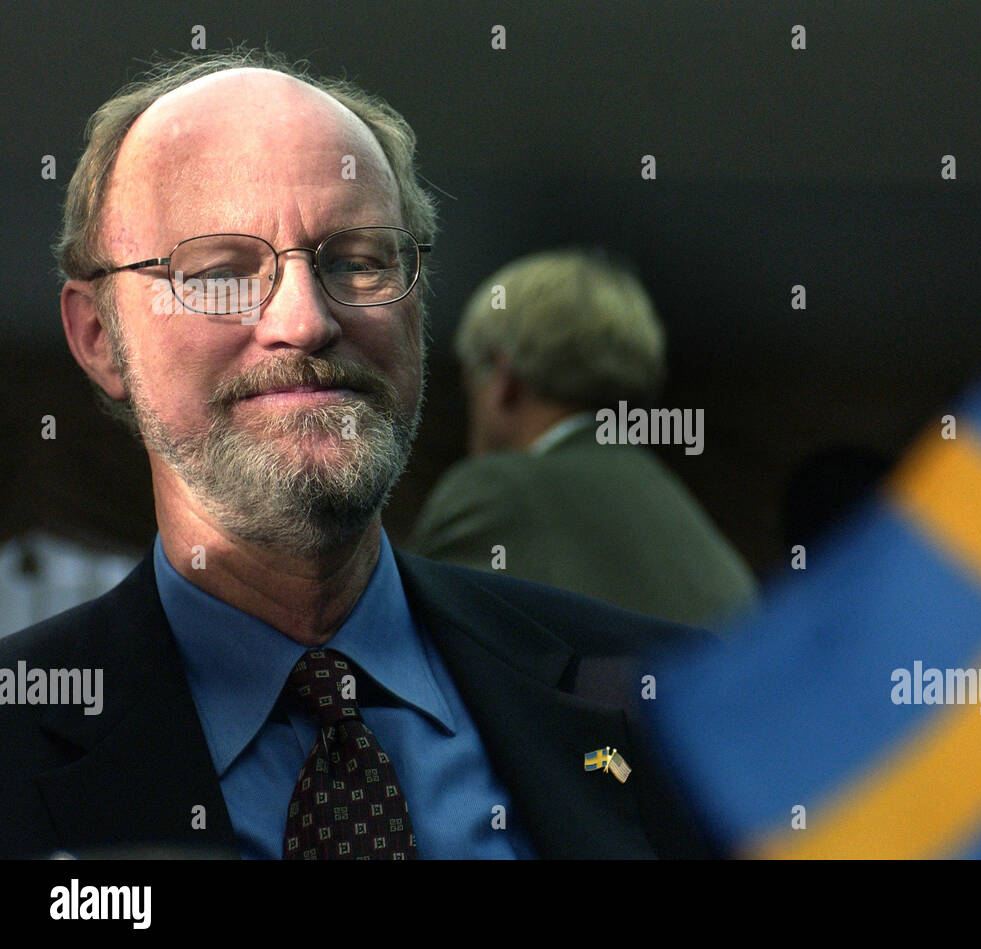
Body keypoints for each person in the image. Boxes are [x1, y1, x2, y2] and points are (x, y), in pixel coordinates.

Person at [0, 49, 709, 860]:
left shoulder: (670, 701)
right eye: (223, 271)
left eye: (357, 261)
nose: (304, 321)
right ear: (99, 336)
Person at [406, 248, 758, 627]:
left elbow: (415, 656)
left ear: (503, 381)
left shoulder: (495, 492)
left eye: (469, 382)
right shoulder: (681, 512)